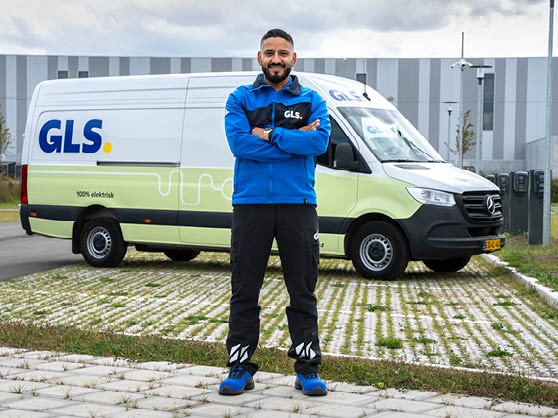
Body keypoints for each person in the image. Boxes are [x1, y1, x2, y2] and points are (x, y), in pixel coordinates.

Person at [219, 28, 331, 397]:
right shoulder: (240, 98)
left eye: (283, 53)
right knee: (244, 289)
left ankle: (308, 369)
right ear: (260, 57)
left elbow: (319, 141)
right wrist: (295, 141)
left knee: (302, 290)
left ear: (293, 58)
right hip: (250, 205)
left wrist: (269, 135)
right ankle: (240, 367)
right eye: (270, 53)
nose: (276, 59)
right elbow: (240, 145)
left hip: (298, 204)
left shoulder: (312, 99)